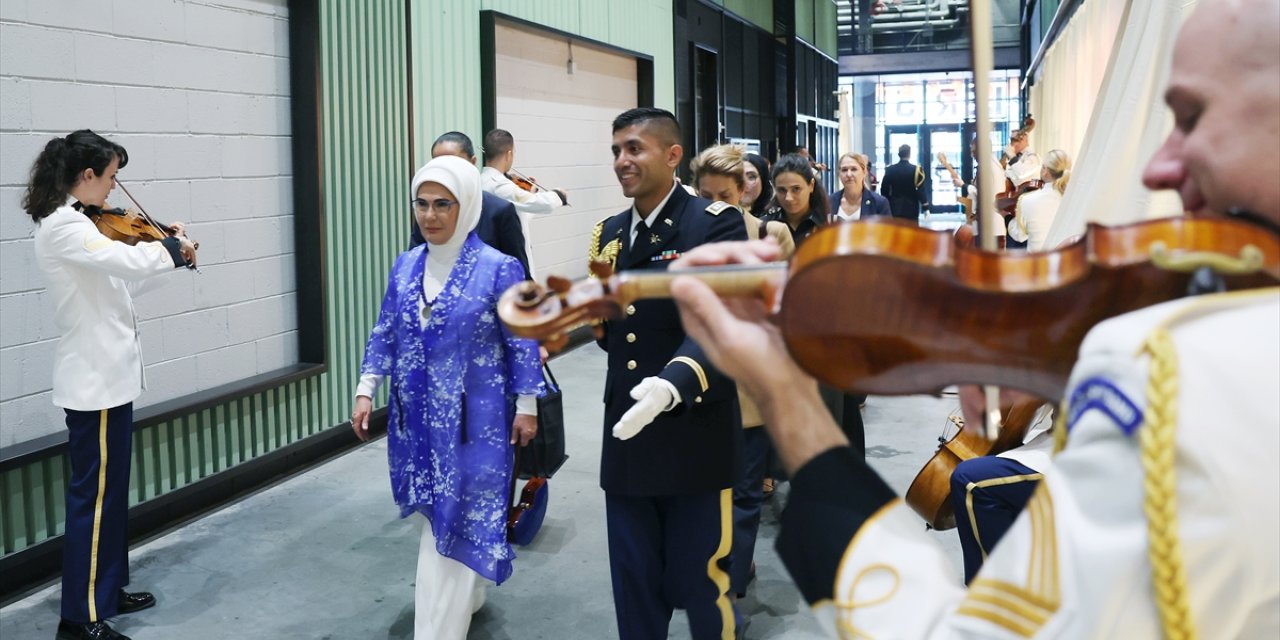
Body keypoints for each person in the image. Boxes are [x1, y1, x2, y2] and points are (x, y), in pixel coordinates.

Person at [666, 0, 1280, 635]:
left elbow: (957, 629)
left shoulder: (1173, 368)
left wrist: (789, 402)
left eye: (1194, 117)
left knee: (978, 481)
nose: (1160, 165)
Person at [351, 155, 544, 639]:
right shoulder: (406, 265)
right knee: (439, 515)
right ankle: (468, 592)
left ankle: (436, 630)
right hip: (417, 420)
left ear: (468, 206)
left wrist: (527, 405)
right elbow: (386, 330)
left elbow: (522, 341)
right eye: (421, 204)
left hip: (477, 423)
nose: (430, 215)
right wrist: (366, 388)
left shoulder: (498, 268)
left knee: (454, 516)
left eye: (443, 204)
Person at [23, 130, 197, 640]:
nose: (114, 188)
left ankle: (107, 590)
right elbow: (125, 261)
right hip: (93, 386)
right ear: (87, 175)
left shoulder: (85, 226)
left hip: (111, 383)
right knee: (94, 502)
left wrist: (172, 255)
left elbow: (124, 281)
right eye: (111, 176)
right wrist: (168, 247)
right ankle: (79, 618)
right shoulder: (64, 226)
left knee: (112, 495)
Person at [588, 107, 747, 640]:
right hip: (628, 438)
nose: (622, 160)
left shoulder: (713, 222)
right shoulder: (609, 234)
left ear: (673, 154)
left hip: (693, 435)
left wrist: (672, 383)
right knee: (633, 586)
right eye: (616, 150)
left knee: (702, 585)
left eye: (634, 148)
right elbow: (613, 330)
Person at [689, 143, 794, 605]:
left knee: (745, 496)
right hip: (696, 389)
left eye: (724, 197)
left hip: (750, 388)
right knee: (704, 493)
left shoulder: (771, 236)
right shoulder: (683, 236)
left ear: (743, 193)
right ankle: (712, 568)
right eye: (705, 196)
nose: (714, 206)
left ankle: (729, 592)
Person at [411, 132, 531, 279]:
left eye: (454, 164)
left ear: (472, 162)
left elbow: (520, 278)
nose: (445, 170)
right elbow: (414, 267)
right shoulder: (428, 212)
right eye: (438, 164)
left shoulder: (499, 211)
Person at [480, 128, 569, 213]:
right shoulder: (499, 185)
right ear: (508, 155)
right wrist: (558, 194)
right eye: (514, 153)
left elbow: (522, 210)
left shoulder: (481, 179)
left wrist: (528, 191)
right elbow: (542, 203)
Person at [1009, 149, 1072, 251]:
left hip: (1039, 259)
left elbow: (1020, 236)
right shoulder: (1074, 200)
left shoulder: (1027, 200)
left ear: (1045, 171)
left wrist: (1007, 218)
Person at [828, 152, 891, 222]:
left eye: (854, 169)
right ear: (839, 173)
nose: (849, 174)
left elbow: (887, 229)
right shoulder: (829, 202)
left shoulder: (879, 203)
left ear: (864, 172)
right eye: (844, 170)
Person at [881, 144, 929, 222]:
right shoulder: (916, 170)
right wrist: (925, 207)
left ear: (898, 154)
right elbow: (921, 190)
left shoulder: (890, 169)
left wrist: (887, 203)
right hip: (911, 207)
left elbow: (884, 189)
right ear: (909, 154)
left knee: (896, 228)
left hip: (894, 207)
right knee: (911, 229)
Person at [740, 152, 773, 219]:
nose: (744, 183)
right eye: (738, 177)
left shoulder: (775, 217)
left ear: (763, 180)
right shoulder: (723, 215)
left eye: (751, 177)